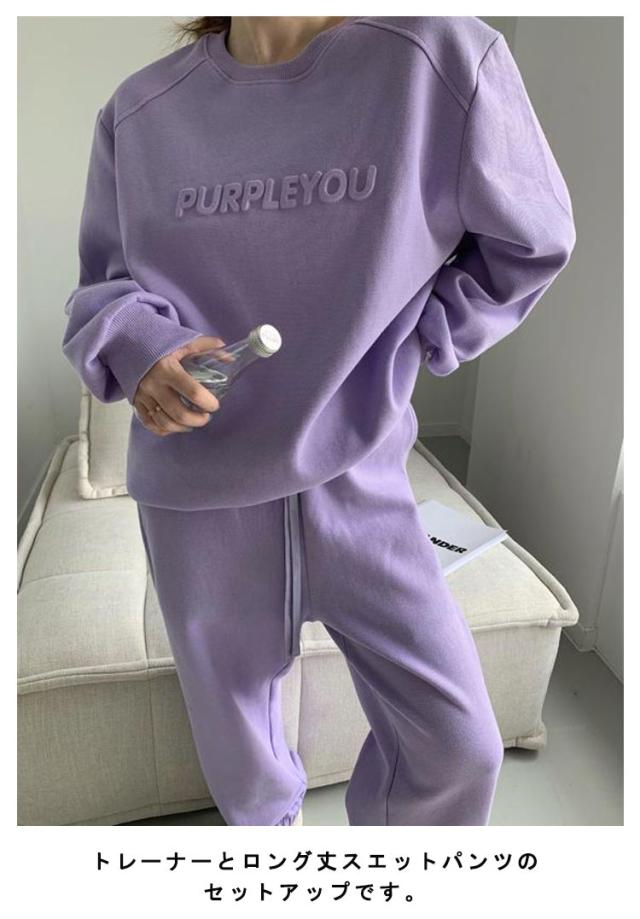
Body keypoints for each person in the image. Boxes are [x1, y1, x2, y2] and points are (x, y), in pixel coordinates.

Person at [61, 15, 576, 826]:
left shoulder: (438, 57)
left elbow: (531, 238)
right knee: (248, 780)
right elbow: (103, 288)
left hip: (360, 477)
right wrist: (144, 350)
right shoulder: (140, 111)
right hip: (197, 494)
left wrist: (418, 338)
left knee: (457, 748)